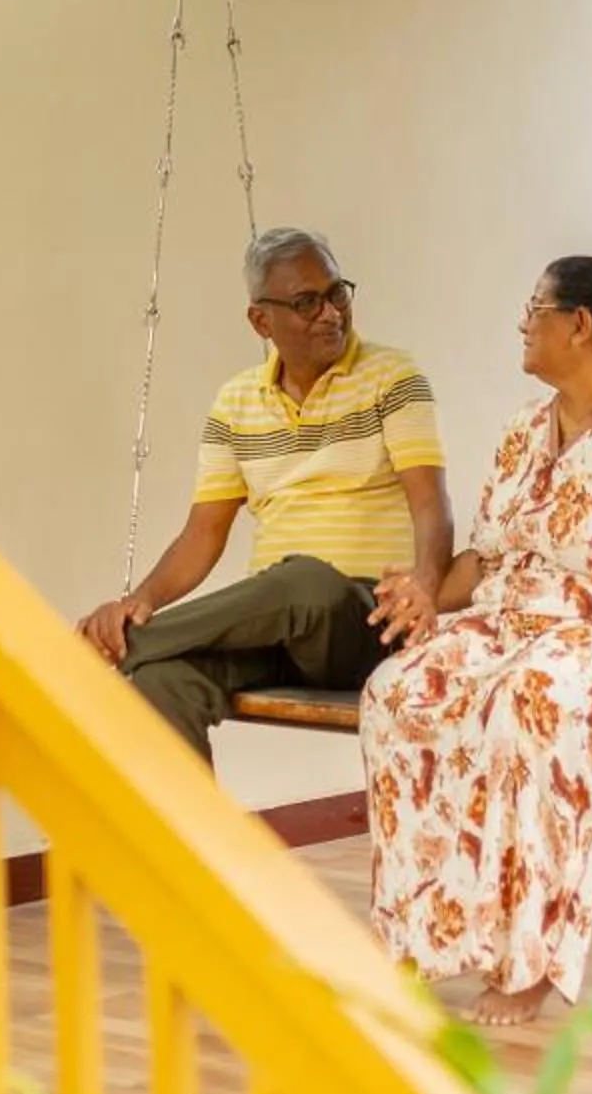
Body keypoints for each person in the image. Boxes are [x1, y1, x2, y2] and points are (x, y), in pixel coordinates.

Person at [358, 255, 592, 1026]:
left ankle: (529, 961)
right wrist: (424, 594)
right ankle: (421, 943)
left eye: (535, 309)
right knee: (398, 688)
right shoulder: (525, 428)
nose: (523, 324)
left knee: (532, 701)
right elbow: (483, 559)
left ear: (579, 325)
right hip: (505, 622)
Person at [78, 228, 455, 760]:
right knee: (163, 679)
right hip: (277, 626)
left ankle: (89, 656)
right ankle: (196, 844)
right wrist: (140, 601)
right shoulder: (235, 403)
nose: (330, 314)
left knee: (305, 580)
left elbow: (431, 504)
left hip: (365, 622)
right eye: (307, 303)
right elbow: (203, 533)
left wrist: (427, 585)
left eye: (337, 293)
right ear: (261, 320)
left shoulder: (393, 377)